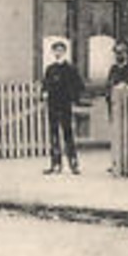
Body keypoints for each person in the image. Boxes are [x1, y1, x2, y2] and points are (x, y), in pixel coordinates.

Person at [41, 39, 84, 174]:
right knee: (53, 134)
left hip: (65, 105)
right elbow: (45, 85)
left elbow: (79, 85)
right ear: (53, 52)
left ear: (65, 52)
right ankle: (55, 164)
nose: (58, 52)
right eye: (56, 50)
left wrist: (72, 97)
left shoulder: (70, 69)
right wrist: (44, 93)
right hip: (52, 106)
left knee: (68, 134)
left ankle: (73, 164)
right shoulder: (50, 69)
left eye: (61, 50)